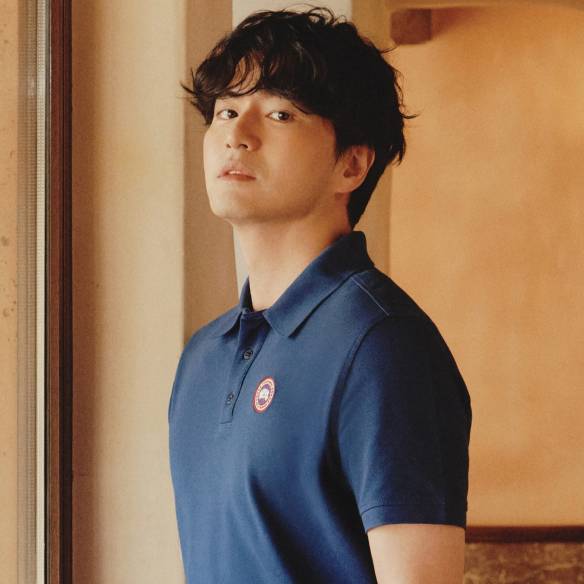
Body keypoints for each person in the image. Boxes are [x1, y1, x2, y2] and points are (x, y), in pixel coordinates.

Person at [168, 6, 472, 583]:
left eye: (280, 113)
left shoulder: (384, 345)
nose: (236, 134)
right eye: (226, 110)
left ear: (351, 165)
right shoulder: (202, 357)